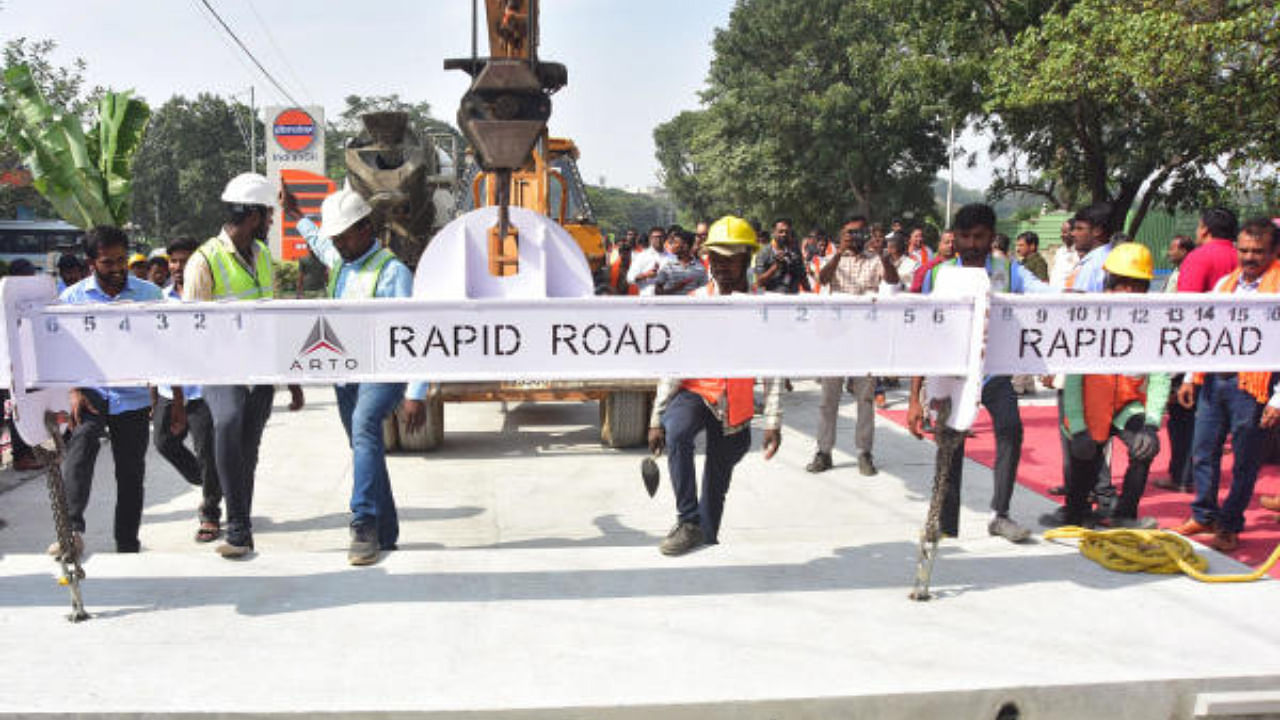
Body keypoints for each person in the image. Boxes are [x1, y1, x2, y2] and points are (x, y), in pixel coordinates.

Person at [286, 188, 424, 565]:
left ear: (365, 229)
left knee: (365, 426)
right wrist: (297, 216)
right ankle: (388, 532)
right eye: (336, 238)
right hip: (345, 375)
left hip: (382, 372)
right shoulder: (342, 260)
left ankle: (362, 522)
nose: (339, 244)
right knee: (365, 447)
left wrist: (417, 391)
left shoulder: (393, 271)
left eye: (344, 236)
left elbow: (414, 336)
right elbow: (318, 243)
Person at [907, 203, 1051, 543]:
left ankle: (1000, 514)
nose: (972, 243)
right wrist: (915, 397)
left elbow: (1045, 299)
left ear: (991, 238)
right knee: (950, 445)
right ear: (954, 237)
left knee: (1011, 430)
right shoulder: (937, 274)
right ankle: (944, 523)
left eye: (979, 236)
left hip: (994, 374)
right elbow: (922, 336)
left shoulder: (1009, 271)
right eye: (965, 236)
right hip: (951, 375)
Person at [648, 215, 783, 556]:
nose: (721, 266)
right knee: (677, 432)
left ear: (746, 260)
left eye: (730, 258)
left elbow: (772, 369)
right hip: (694, 392)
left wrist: (772, 420)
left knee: (717, 482)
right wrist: (656, 417)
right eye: (716, 258)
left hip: (734, 407)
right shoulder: (695, 302)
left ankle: (706, 537)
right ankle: (687, 521)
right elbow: (674, 364)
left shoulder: (761, 308)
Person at [183, 172, 279, 559]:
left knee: (248, 450)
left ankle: (242, 529)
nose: (271, 221)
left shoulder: (263, 256)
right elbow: (190, 326)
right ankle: (235, 526)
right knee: (227, 423)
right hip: (222, 369)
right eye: (268, 214)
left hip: (261, 370)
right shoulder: (203, 261)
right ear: (253, 216)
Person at [52, 226, 163, 558]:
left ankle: (127, 545)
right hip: (90, 392)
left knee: (131, 475)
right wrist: (73, 389)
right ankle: (72, 531)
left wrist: (161, 392)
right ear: (90, 263)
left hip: (134, 397)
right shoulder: (72, 299)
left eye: (121, 260)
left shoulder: (150, 295)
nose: (116, 268)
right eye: (107, 262)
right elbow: (60, 349)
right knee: (80, 451)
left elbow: (166, 346)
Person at [1171, 218, 1280, 552]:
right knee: (1203, 451)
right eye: (1243, 250)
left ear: (1275, 251)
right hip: (1214, 381)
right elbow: (1205, 336)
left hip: (1254, 387)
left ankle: (1230, 524)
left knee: (1245, 461)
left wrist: (1278, 399)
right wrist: (1191, 377)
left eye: (1257, 252)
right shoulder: (1224, 286)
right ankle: (1204, 513)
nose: (1248, 258)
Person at [1041, 243, 1167, 530]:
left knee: (1145, 448)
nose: (1129, 293)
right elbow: (1073, 381)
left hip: (1127, 407)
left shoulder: (1152, 323)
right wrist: (1078, 428)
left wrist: (1151, 425)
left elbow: (1160, 376)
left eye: (1136, 286)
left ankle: (1125, 514)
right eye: (1122, 285)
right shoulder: (1090, 319)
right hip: (1089, 409)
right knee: (1082, 459)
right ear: (1109, 284)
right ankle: (1076, 512)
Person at [807, 220, 900, 477]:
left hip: (866, 338)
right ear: (841, 235)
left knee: (865, 400)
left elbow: (893, 282)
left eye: (859, 231)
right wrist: (839, 252)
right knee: (828, 400)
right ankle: (823, 452)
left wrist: (883, 255)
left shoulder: (875, 259)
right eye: (849, 232)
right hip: (836, 339)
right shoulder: (834, 258)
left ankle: (864, 453)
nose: (854, 236)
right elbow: (823, 279)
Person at [151, 237, 222, 543]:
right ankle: (211, 482)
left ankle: (210, 513)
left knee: (208, 452)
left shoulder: (213, 300)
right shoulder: (161, 300)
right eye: (174, 261)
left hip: (205, 391)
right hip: (171, 390)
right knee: (164, 442)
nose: (179, 267)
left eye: (186, 260)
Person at [1154, 234, 1198, 492]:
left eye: (1172, 247)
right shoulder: (1178, 271)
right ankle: (1182, 473)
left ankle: (1181, 475)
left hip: (1180, 355)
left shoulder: (1188, 273)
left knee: (1182, 419)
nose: (1169, 252)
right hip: (1181, 357)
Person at [1176, 207, 1239, 293]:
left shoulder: (1196, 258)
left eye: (1198, 226)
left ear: (1204, 230)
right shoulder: (1244, 257)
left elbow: (1187, 300)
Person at [753, 218, 809, 294]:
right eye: (781, 232)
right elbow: (758, 282)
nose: (784, 234)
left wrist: (811, 296)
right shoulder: (764, 253)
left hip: (793, 299)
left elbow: (803, 277)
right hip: (772, 300)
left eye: (787, 232)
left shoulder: (795, 251)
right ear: (774, 232)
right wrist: (775, 267)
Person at [654, 229, 708, 295]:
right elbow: (657, 292)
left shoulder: (700, 268)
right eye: (672, 243)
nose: (672, 246)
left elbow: (705, 292)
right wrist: (674, 289)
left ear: (685, 246)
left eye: (676, 243)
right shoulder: (667, 266)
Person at [626, 226, 672, 295]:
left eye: (660, 237)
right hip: (647, 299)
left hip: (668, 299)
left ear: (665, 238)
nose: (658, 240)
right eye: (655, 237)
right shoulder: (641, 256)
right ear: (650, 239)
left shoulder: (672, 257)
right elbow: (630, 278)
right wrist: (645, 275)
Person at [1048, 220, 1079, 289]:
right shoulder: (1059, 252)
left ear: (1073, 233)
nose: (1061, 235)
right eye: (1061, 232)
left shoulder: (1079, 253)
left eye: (1065, 232)